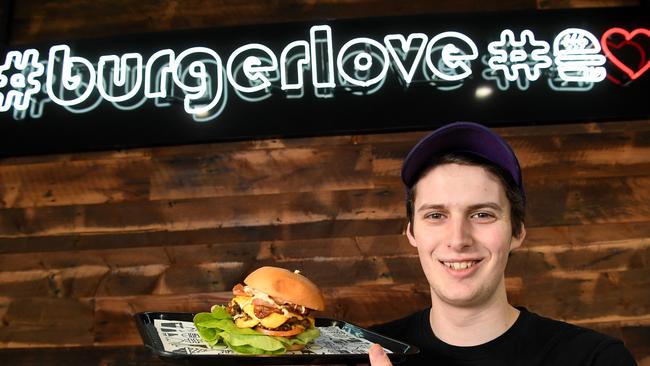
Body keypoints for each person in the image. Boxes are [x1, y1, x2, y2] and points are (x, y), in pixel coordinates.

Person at [367, 122, 637, 366]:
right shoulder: (365, 353)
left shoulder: (595, 358)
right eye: (436, 215)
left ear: (517, 231)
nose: (458, 239)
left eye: (482, 214)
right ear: (412, 232)